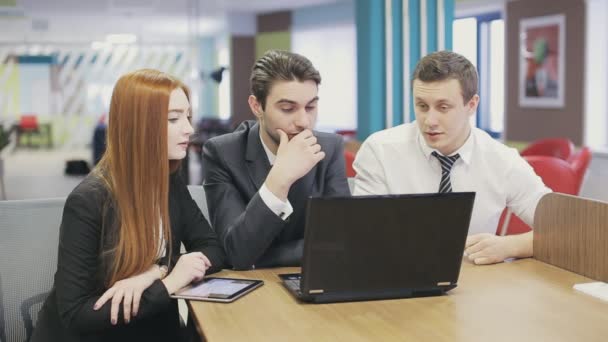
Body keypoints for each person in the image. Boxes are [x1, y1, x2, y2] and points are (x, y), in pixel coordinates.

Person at [32, 69, 226, 342]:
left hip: (150, 323)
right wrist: (168, 283)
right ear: (139, 126)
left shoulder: (169, 182)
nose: (189, 129)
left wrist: (154, 273)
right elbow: (77, 314)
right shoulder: (88, 201)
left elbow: (213, 248)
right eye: (173, 119)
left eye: (188, 116)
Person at [353, 50, 551, 265]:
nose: (430, 120)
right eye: (422, 106)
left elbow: (564, 230)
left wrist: (510, 246)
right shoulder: (380, 151)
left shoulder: (502, 160)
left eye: (443, 107)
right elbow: (361, 237)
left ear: (472, 105)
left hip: (476, 284)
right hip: (394, 275)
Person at [202, 50, 350, 270]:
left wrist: (261, 258)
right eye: (288, 108)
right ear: (257, 106)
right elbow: (238, 253)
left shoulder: (329, 148)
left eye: (310, 107)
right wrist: (279, 179)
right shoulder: (222, 153)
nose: (304, 122)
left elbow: (341, 242)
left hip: (312, 280)